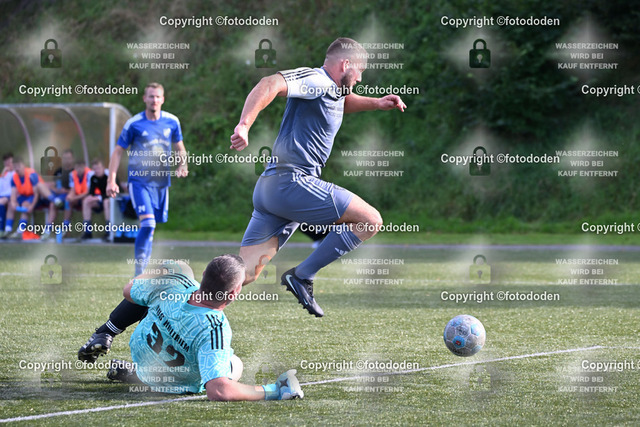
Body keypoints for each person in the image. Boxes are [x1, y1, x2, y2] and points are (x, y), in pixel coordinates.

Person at [230, 37, 406, 317]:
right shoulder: (317, 79)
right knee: (370, 220)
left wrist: (377, 103)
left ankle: (181, 298)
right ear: (345, 64)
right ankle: (302, 276)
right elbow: (269, 83)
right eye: (360, 71)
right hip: (292, 182)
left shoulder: (331, 90)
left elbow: (340, 102)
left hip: (274, 191)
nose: (360, 78)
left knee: (241, 274)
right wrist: (244, 124)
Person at [85, 255, 303, 401]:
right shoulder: (216, 327)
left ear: (204, 275)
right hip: (174, 385)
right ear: (234, 293)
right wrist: (274, 390)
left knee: (152, 290)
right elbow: (218, 391)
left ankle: (108, 335)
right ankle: (138, 374)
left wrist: (163, 270)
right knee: (235, 363)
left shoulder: (175, 283)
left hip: (144, 358)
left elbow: (129, 291)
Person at [105, 82, 188, 275]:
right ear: (144, 99)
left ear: (163, 99)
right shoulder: (134, 124)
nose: (154, 100)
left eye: (157, 96)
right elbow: (118, 152)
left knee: (151, 227)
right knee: (148, 223)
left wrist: (182, 165)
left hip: (161, 183)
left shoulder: (172, 121)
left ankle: (143, 271)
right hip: (139, 182)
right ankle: (139, 274)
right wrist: (111, 180)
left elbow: (180, 147)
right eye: (151, 96)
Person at [2, 157, 62, 239]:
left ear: (23, 165)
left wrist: (32, 206)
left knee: (26, 204)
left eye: (18, 166)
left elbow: (36, 194)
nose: (17, 169)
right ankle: (8, 229)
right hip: (25, 196)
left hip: (34, 196)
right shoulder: (14, 177)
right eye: (15, 166)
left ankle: (20, 230)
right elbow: (13, 193)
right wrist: (13, 203)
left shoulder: (31, 174)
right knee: (10, 204)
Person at [81, 158, 117, 241]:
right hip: (101, 200)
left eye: (98, 168)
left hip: (112, 201)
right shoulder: (93, 178)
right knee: (86, 201)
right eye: (95, 169)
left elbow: (112, 193)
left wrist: (99, 198)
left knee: (106, 202)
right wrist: (91, 197)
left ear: (103, 168)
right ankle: (87, 232)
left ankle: (109, 231)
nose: (97, 171)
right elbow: (92, 192)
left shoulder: (110, 177)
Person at [0, 153, 15, 232]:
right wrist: (3, 174)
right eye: (6, 162)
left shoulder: (16, 173)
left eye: (9, 162)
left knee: (1, 202)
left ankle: (1, 229)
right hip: (2, 196)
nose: (8, 164)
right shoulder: (3, 174)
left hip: (11, 196)